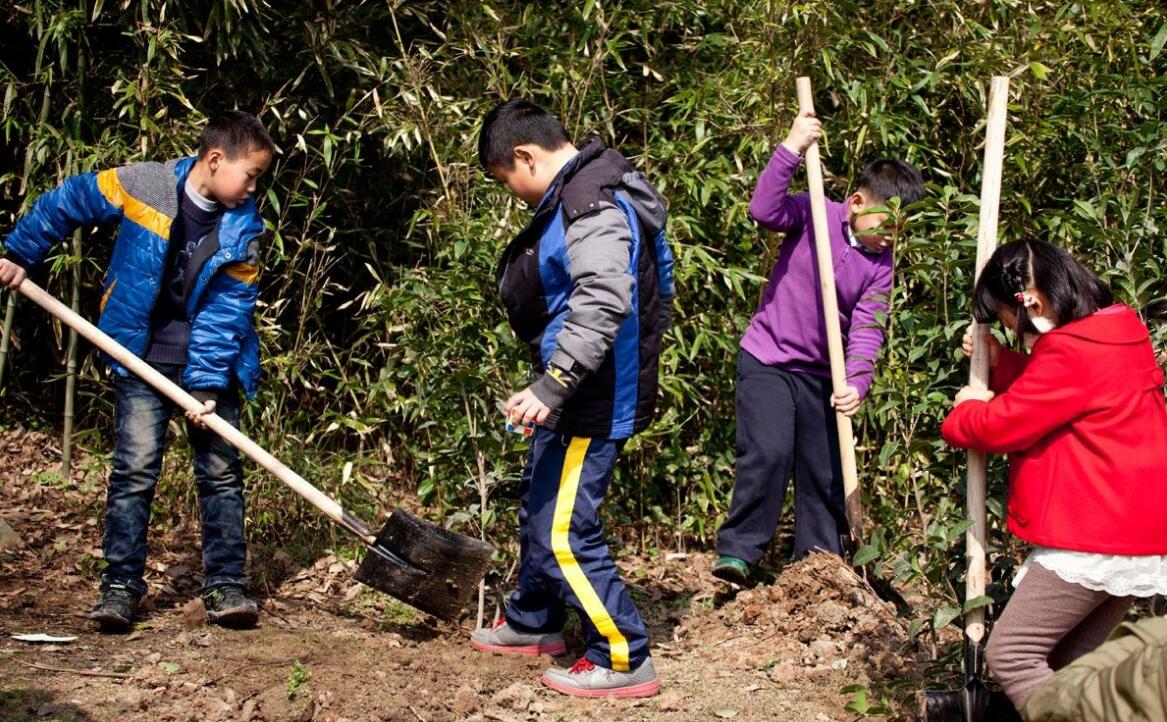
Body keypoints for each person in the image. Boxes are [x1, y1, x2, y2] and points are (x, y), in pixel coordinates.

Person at [0, 110, 275, 632]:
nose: (252, 187)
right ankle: (120, 586)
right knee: (134, 472)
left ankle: (225, 585)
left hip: (210, 366)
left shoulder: (244, 227)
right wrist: (21, 253)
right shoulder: (143, 184)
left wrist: (207, 385)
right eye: (251, 174)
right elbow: (68, 201)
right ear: (215, 160)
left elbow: (228, 311)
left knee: (221, 475)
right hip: (138, 355)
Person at [468, 99, 674, 698]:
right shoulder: (582, 188)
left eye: (509, 182)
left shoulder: (591, 203)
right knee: (541, 503)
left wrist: (554, 384)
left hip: (595, 393)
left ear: (526, 156)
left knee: (565, 528)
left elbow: (605, 299)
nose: (516, 197)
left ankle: (623, 654)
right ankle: (536, 619)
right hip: (575, 386)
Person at [942, 239, 1167, 710]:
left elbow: (1004, 424)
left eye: (1009, 321)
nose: (1012, 331)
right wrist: (1002, 364)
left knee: (1014, 653)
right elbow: (1059, 392)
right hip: (1137, 527)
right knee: (1073, 661)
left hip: (1094, 531)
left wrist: (966, 412)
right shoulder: (1113, 332)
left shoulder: (1071, 351)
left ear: (1034, 304)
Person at [712, 111, 925, 584]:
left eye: (898, 231)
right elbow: (764, 210)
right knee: (767, 453)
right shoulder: (813, 214)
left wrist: (857, 382)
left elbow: (869, 327)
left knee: (823, 469)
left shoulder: (881, 266)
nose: (889, 237)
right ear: (855, 202)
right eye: (884, 225)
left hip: (821, 375)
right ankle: (740, 552)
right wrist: (790, 146)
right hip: (767, 358)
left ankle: (817, 566)